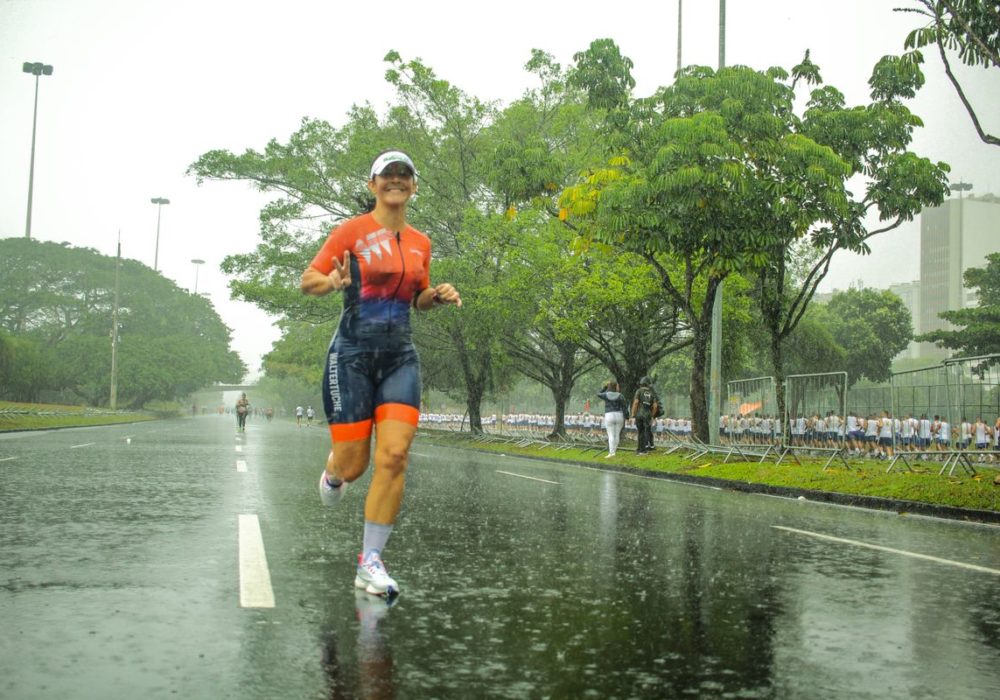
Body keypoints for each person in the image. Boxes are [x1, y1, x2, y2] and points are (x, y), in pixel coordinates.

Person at [301, 149, 461, 597]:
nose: (396, 180)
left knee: (394, 456)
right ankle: (334, 473)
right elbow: (307, 279)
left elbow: (418, 298)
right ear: (373, 185)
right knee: (355, 466)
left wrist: (437, 293)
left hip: (399, 358)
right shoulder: (351, 232)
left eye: (404, 174)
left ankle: (369, 562)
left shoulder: (421, 242)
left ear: (413, 185)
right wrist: (331, 282)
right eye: (387, 175)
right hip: (351, 355)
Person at [597, 380, 627, 458]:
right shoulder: (620, 396)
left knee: (610, 435)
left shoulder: (606, 395)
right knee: (617, 434)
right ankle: (614, 451)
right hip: (619, 415)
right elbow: (624, 407)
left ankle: (611, 453)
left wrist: (605, 387)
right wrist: (627, 416)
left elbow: (598, 394)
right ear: (616, 387)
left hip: (609, 415)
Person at [631, 376, 658, 455]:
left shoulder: (639, 391)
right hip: (647, 414)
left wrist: (633, 413)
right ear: (648, 384)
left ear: (641, 384)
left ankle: (639, 449)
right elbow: (655, 406)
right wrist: (652, 415)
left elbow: (636, 402)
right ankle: (644, 449)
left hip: (639, 413)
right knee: (646, 430)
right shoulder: (652, 393)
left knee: (640, 431)